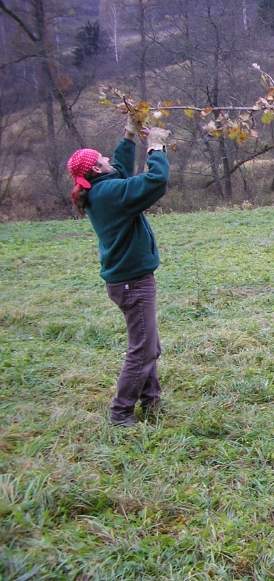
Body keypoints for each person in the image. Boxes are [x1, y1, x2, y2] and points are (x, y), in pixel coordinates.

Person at [68, 116, 172, 427]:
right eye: (103, 159)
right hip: (133, 284)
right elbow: (155, 182)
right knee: (142, 350)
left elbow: (122, 171)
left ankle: (151, 404)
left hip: (127, 282)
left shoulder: (101, 190)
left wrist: (129, 137)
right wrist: (155, 148)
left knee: (148, 346)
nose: (108, 159)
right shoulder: (110, 194)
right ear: (96, 170)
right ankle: (121, 414)